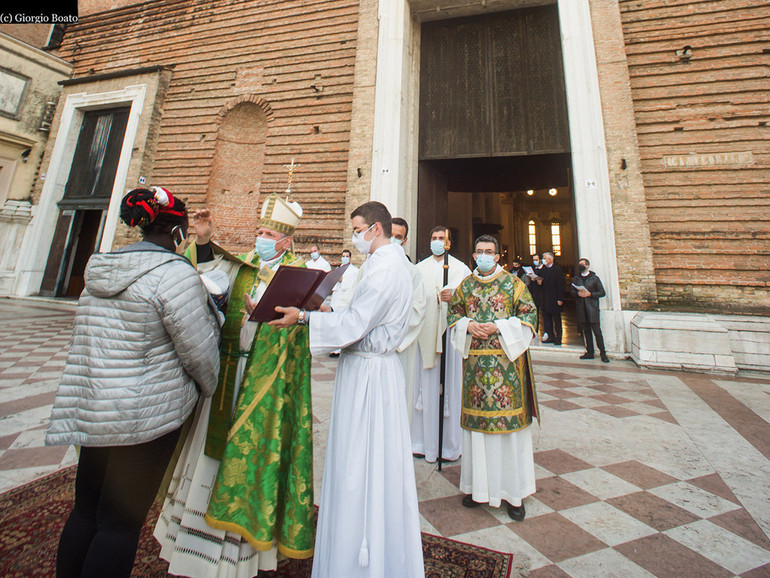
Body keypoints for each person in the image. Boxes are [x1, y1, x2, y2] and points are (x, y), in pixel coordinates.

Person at [46, 187, 221, 578]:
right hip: (143, 416)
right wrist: (208, 387)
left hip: (94, 406)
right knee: (120, 523)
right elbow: (198, 350)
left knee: (85, 509)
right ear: (177, 231)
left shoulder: (100, 267)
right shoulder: (173, 274)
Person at [154, 193, 315, 576]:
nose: (260, 237)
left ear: (285, 241)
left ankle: (238, 549)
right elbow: (208, 276)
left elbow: (304, 328)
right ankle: (192, 539)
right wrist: (204, 238)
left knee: (250, 458)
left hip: (263, 381)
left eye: (268, 232)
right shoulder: (245, 265)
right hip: (227, 374)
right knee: (209, 455)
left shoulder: (299, 273)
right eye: (259, 230)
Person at [270, 201, 424, 578]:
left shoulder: (386, 268)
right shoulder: (383, 262)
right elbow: (362, 318)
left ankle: (361, 555)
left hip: (370, 375)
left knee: (362, 461)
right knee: (360, 456)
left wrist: (304, 317)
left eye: (358, 228)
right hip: (369, 368)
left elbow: (357, 326)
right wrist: (326, 314)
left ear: (376, 228)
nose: (354, 235)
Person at [448, 234, 539, 522]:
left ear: (498, 256)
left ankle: (514, 494)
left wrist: (499, 327)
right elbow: (453, 315)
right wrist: (468, 325)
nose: (484, 256)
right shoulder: (466, 285)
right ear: (473, 256)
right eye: (479, 251)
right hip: (476, 373)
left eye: (489, 252)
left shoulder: (514, 284)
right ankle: (478, 490)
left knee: (508, 435)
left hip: (507, 374)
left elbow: (529, 316)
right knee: (478, 435)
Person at [412, 226, 471, 463]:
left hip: (451, 339)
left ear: (449, 243)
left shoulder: (460, 268)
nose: (437, 242)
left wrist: (455, 297)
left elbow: (472, 299)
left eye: (442, 239)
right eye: (434, 238)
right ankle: (420, 442)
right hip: (425, 338)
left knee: (451, 387)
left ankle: (449, 445)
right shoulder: (419, 269)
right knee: (423, 387)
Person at [392, 217, 428, 425]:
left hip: (399, 347)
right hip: (371, 348)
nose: (395, 241)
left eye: (399, 237)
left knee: (399, 400)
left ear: (405, 241)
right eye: (392, 236)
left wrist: (393, 334)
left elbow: (418, 310)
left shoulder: (413, 272)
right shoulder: (368, 267)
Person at [572, 257, 609, 363]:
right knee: (586, 331)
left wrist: (591, 294)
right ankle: (590, 352)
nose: (580, 266)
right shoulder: (576, 278)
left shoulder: (594, 278)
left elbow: (602, 292)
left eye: (582, 264)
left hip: (592, 308)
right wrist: (577, 293)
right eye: (579, 264)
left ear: (587, 266)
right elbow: (572, 292)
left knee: (597, 332)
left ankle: (603, 353)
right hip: (582, 308)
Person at [537, 251, 565, 345]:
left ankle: (558, 337)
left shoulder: (557, 269)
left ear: (550, 259)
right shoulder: (543, 269)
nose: (543, 260)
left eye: (544, 258)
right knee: (547, 319)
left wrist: (560, 299)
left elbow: (561, 285)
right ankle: (550, 336)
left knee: (557, 320)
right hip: (545, 298)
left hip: (555, 298)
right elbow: (540, 280)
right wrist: (539, 282)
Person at [528, 253, 544, 338]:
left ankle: (546, 332)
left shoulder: (544, 269)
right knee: (535, 312)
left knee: (544, 313)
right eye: (534, 260)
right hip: (534, 293)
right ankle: (535, 330)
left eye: (536, 260)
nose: (535, 261)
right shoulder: (534, 269)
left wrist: (538, 279)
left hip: (542, 294)